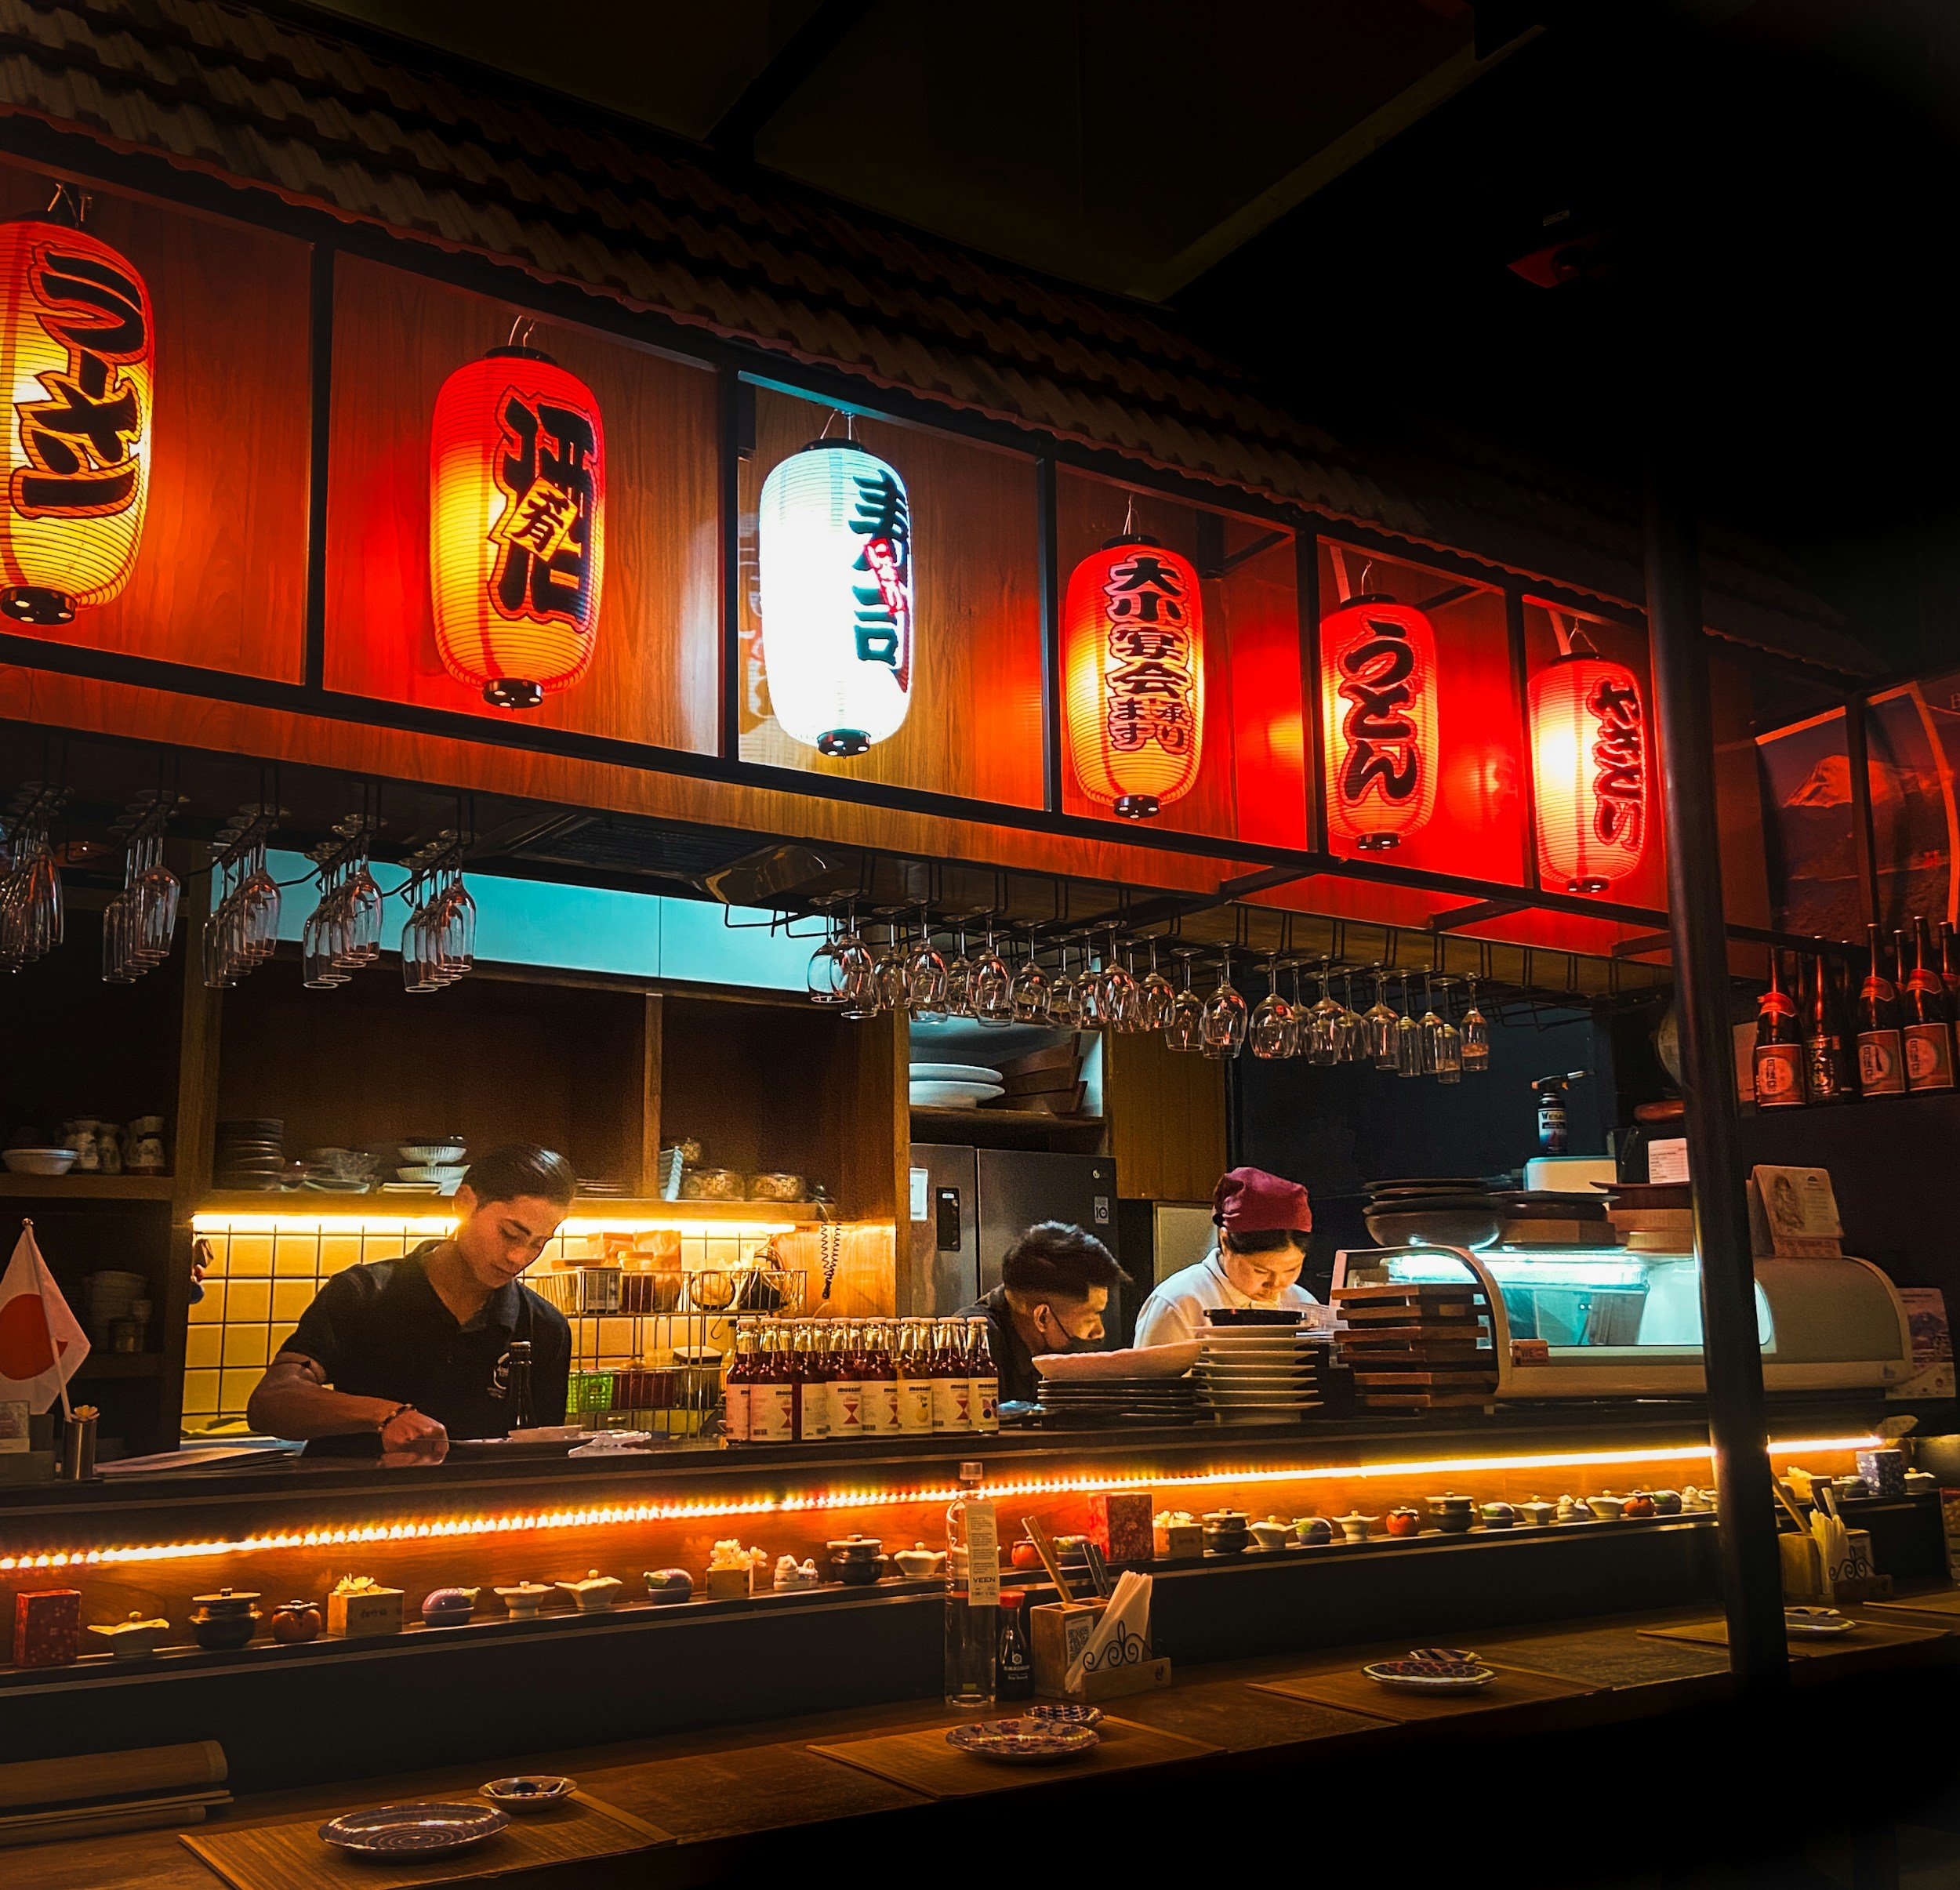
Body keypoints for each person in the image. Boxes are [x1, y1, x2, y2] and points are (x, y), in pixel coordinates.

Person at [245, 1145, 576, 1463]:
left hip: (476, 1515)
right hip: (356, 1508)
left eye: (538, 1243)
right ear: (464, 1203)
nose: (520, 1257)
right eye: (509, 1234)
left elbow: (543, 1456)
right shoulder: (363, 1293)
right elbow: (272, 1403)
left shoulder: (544, 1328)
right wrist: (386, 1415)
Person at [1131, 1166, 1316, 1348]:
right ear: (1225, 1241)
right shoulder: (1180, 1302)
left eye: (1291, 1269)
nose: (1276, 1284)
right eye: (1261, 1271)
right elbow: (1150, 1377)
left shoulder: (1303, 1304)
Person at [961, 1221, 1130, 1406]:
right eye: (1090, 1317)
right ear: (1042, 1317)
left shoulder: (1054, 1347)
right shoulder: (973, 1343)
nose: (1099, 1331)